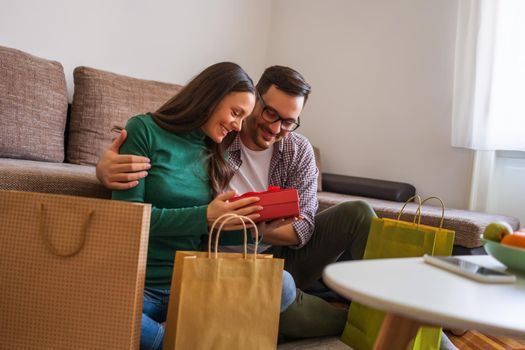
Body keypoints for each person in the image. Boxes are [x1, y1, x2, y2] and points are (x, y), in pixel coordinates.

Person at [111, 62, 299, 350]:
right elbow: (128, 222)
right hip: (139, 284)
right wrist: (205, 215)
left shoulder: (214, 148)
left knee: (283, 285)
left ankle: (182, 338)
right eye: (236, 113)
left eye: (243, 117)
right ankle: (179, 340)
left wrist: (255, 230)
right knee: (98, 305)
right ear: (211, 97)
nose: (238, 126)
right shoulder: (144, 131)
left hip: (192, 284)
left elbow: (205, 232)